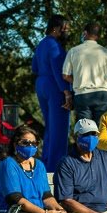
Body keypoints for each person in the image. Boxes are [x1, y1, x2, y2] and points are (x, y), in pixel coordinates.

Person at [31, 15, 73, 172]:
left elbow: (34, 67)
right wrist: (67, 92)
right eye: (65, 28)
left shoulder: (41, 44)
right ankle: (56, 165)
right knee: (60, 127)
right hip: (54, 86)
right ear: (56, 29)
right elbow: (58, 70)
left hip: (41, 83)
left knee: (50, 125)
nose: (67, 31)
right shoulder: (54, 45)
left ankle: (47, 161)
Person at [62, 22, 107, 125]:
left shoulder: (73, 51)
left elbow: (65, 75)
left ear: (85, 33)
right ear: (99, 36)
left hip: (82, 95)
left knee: (85, 131)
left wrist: (79, 80)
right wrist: (104, 82)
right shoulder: (106, 52)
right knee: (102, 131)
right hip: (101, 94)